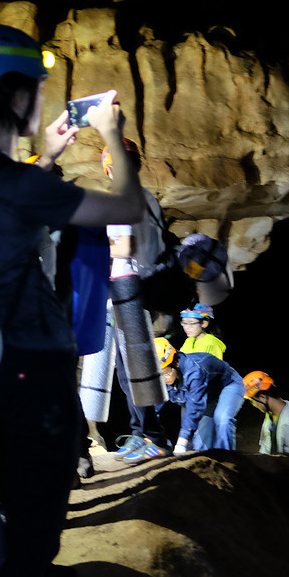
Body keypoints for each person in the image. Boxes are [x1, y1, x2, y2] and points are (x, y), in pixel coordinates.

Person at [0, 24, 143, 577]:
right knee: (43, 490)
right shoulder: (22, 184)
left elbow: (2, 217)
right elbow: (128, 207)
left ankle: (19, 573)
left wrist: (49, 155)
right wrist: (109, 134)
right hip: (33, 360)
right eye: (34, 87)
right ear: (16, 96)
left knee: (11, 479)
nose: (39, 98)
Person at [95, 141, 171, 465]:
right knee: (130, 373)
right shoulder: (149, 199)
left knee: (134, 372)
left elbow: (121, 250)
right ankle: (142, 433)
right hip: (141, 287)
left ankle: (153, 437)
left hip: (128, 289)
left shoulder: (122, 200)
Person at [155, 337, 245, 453]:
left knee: (222, 419)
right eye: (159, 374)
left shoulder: (194, 370)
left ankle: (228, 460)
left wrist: (182, 441)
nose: (162, 379)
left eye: (165, 373)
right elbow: (154, 403)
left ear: (176, 363)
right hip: (203, 395)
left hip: (227, 385)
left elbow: (195, 406)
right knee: (200, 444)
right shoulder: (163, 375)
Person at [243, 370, 289, 456]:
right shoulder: (270, 417)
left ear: (263, 397)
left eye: (252, 401)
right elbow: (265, 452)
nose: (254, 405)